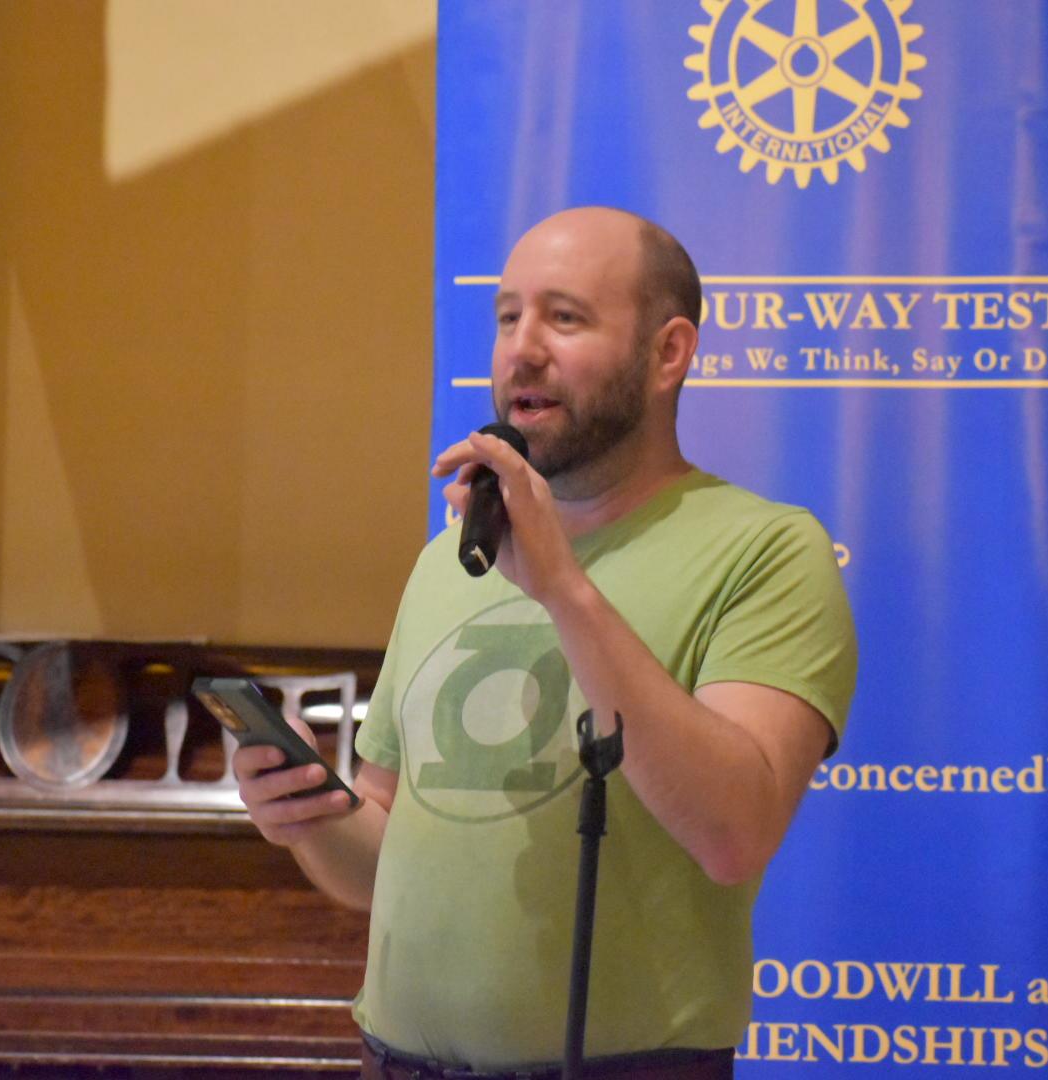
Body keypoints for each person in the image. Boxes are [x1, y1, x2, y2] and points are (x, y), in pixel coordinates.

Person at [234, 207, 857, 1079]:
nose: (521, 350)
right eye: (507, 317)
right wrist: (309, 817)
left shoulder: (766, 551)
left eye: (564, 318)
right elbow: (382, 859)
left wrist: (564, 587)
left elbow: (733, 832)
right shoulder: (451, 559)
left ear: (669, 354)